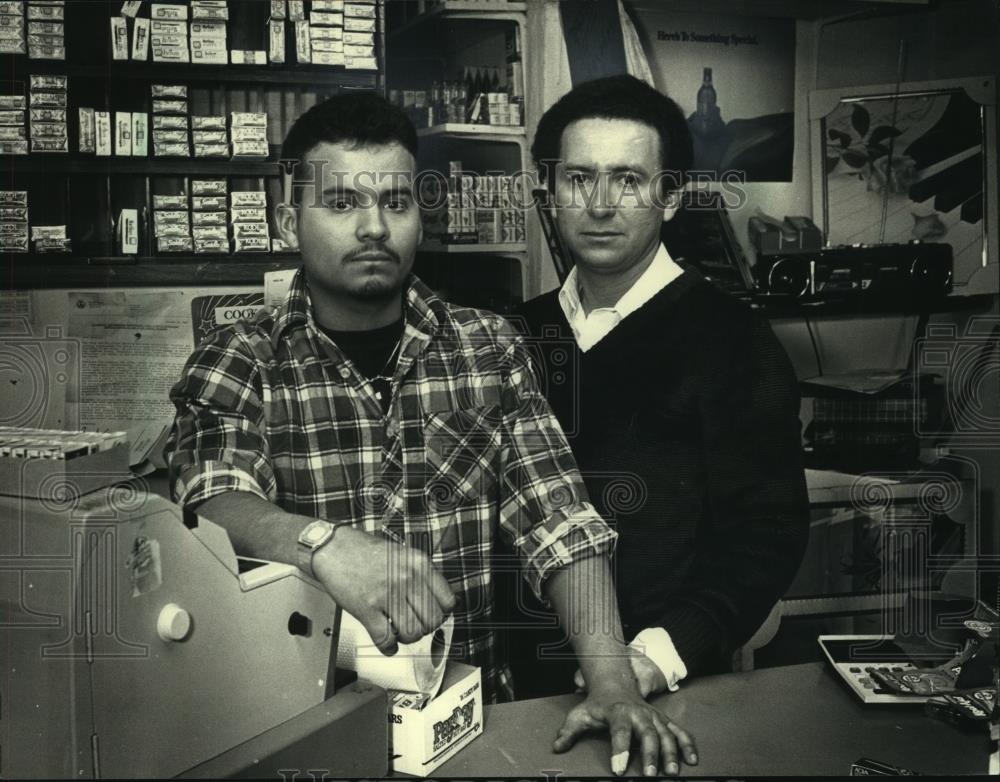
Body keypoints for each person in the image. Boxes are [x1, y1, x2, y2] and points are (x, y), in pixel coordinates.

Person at [164, 92, 697, 777]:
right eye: (341, 203)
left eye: (395, 202)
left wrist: (613, 683)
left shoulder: (488, 348)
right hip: (298, 732)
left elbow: (560, 522)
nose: (373, 227)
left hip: (464, 727)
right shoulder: (240, 360)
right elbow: (211, 499)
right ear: (286, 219)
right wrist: (322, 546)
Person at [507, 74, 810, 700]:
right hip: (518, 690)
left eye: (628, 179)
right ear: (550, 189)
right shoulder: (515, 335)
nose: (599, 203)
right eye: (579, 177)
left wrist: (650, 660)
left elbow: (765, 538)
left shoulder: (734, 341)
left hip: (670, 687)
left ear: (670, 197)